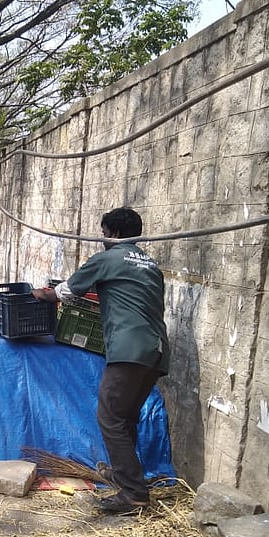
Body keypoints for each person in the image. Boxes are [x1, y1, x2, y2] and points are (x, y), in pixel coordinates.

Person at [33, 207, 170, 515]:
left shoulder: (109, 259)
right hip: (157, 350)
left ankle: (134, 494)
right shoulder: (150, 264)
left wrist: (44, 295)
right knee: (126, 418)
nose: (104, 240)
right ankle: (124, 477)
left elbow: (68, 290)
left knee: (109, 418)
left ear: (116, 234)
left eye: (106, 234)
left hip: (129, 350)